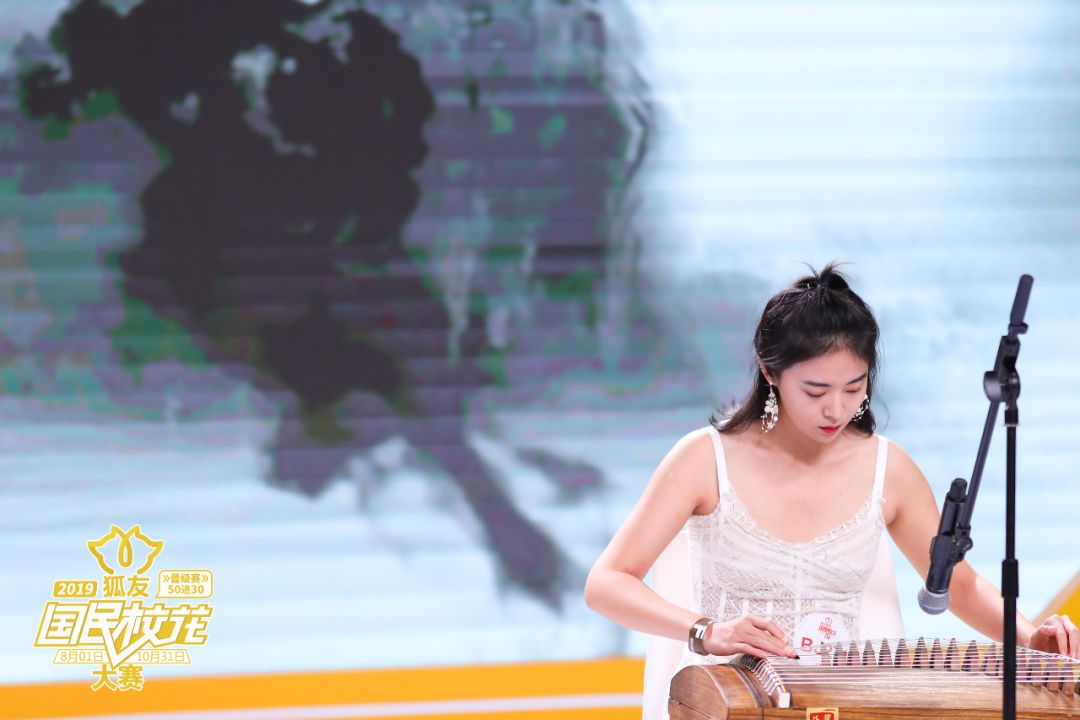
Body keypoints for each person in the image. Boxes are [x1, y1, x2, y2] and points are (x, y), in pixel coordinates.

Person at [584, 263, 1078, 683]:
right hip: (728, 699)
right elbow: (606, 582)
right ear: (769, 372)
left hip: (838, 701)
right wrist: (705, 631)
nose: (836, 409)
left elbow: (958, 585)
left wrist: (1029, 637)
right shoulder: (704, 459)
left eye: (854, 388)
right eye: (816, 391)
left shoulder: (888, 469)